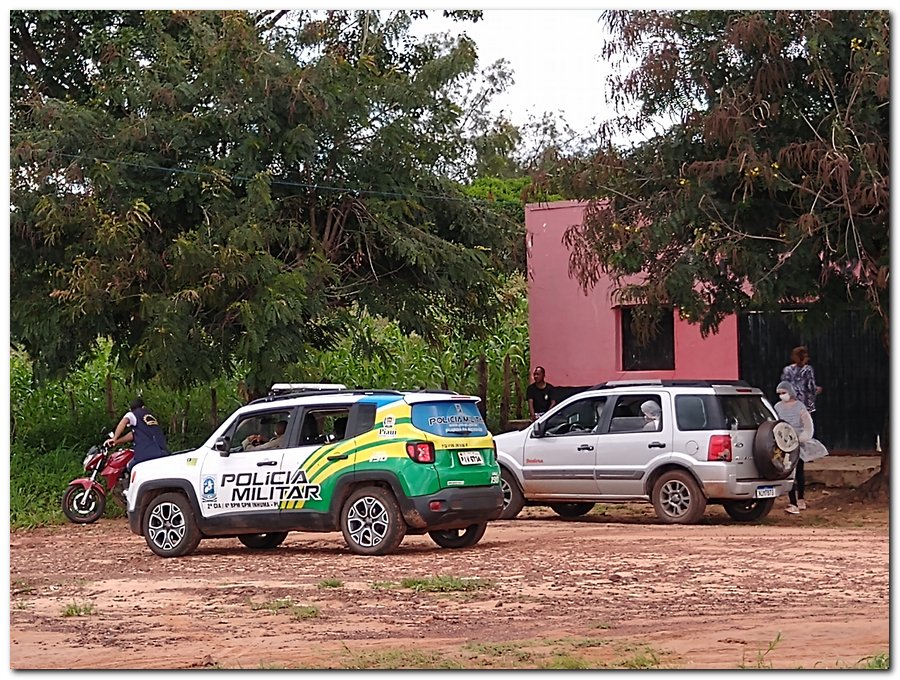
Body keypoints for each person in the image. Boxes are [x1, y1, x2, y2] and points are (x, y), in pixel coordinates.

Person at [775, 381, 829, 515]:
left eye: (784, 393)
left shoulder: (800, 407)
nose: (782, 396)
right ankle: (792, 502)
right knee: (788, 472)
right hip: (783, 443)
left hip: (798, 443)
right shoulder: (777, 407)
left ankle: (800, 499)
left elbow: (807, 425)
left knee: (799, 471)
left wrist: (802, 438)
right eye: (780, 393)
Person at [106, 397, 169, 471]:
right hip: (162, 452)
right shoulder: (150, 416)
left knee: (129, 466)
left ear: (131, 409)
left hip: (146, 453)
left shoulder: (133, 414)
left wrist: (114, 438)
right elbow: (133, 435)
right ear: (143, 407)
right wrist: (117, 442)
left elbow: (124, 421)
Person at [781, 346, 822, 425]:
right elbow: (811, 387)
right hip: (804, 403)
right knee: (805, 426)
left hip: (790, 402)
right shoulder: (807, 370)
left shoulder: (787, 370)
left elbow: (784, 385)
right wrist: (817, 390)